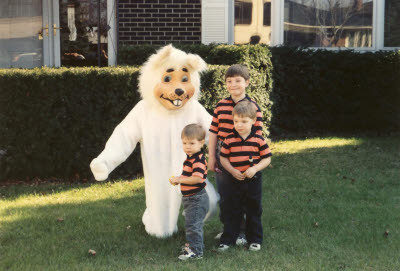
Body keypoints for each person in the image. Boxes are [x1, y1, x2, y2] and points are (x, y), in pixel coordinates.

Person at [208, 64, 263, 245]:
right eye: (229, 81)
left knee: (245, 196)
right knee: (226, 195)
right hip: (224, 153)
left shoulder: (253, 107)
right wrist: (211, 156)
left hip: (246, 153)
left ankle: (243, 232)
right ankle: (229, 229)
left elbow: (258, 136)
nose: (233, 84)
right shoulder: (221, 105)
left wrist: (254, 163)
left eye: (238, 81)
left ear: (246, 82)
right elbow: (214, 132)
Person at [218, 101, 272, 251]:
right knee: (232, 208)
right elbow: (223, 158)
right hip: (234, 180)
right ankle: (228, 239)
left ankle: (254, 239)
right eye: (236, 121)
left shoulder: (258, 140)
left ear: (253, 121)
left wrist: (255, 168)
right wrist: (232, 170)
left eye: (244, 121)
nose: (239, 125)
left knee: (253, 209)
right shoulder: (229, 139)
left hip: (252, 180)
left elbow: (267, 159)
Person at [169, 124, 209, 260]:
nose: (187, 146)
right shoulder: (191, 158)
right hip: (190, 198)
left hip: (196, 198)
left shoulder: (198, 159)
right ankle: (192, 245)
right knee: (190, 223)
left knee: (193, 225)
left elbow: (197, 179)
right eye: (185, 143)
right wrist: (180, 180)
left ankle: (196, 251)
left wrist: (180, 179)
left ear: (201, 143)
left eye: (192, 143)